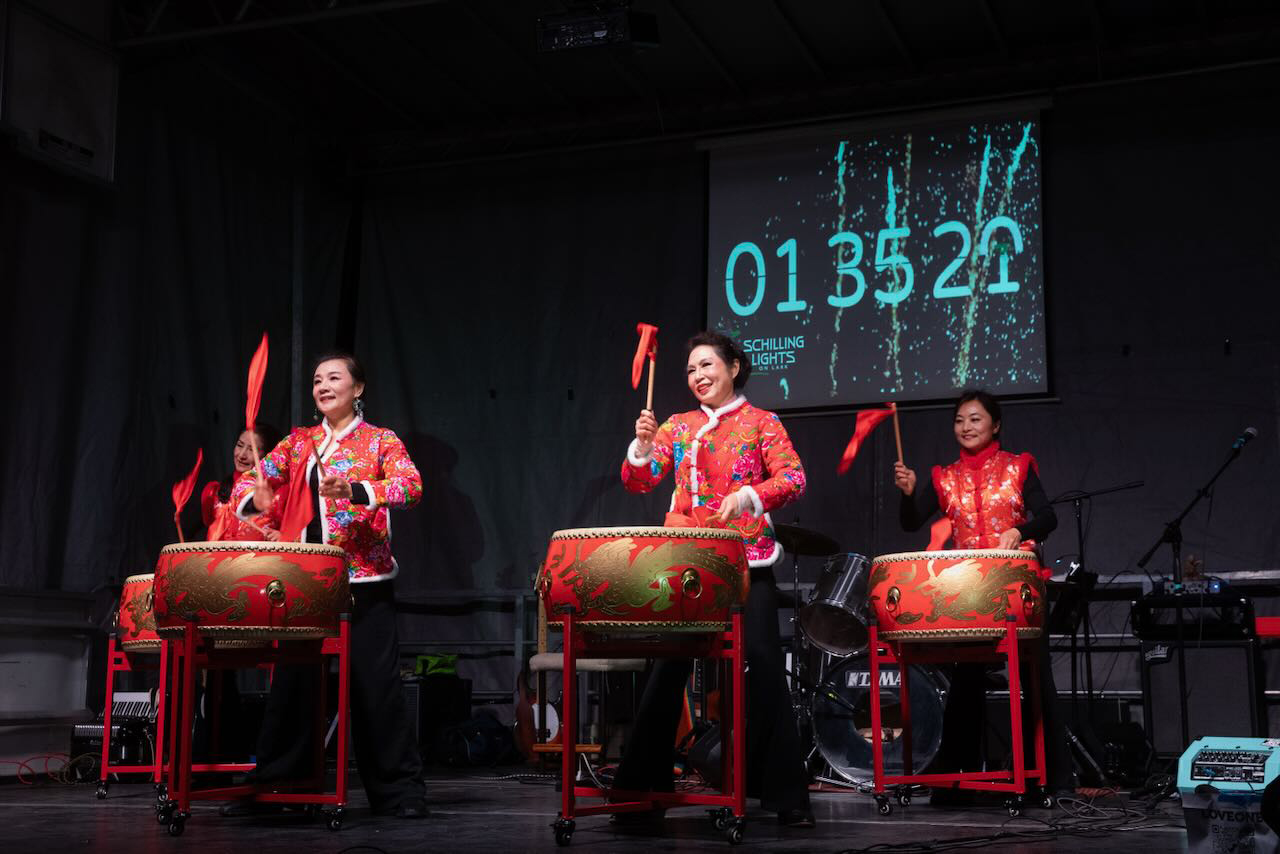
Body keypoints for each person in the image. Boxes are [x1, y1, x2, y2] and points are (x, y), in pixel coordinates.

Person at [613, 331, 814, 828]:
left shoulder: (762, 422)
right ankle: (641, 794)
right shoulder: (677, 426)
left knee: (764, 665)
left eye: (707, 365)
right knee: (667, 671)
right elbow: (641, 480)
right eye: (691, 370)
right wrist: (642, 449)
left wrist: (749, 497)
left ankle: (785, 794)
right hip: (686, 566)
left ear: (734, 367)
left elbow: (793, 478)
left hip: (746, 561)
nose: (698, 376)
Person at [227, 351, 428, 818]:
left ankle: (399, 793)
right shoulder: (300, 443)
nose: (323, 386)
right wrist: (257, 497)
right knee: (294, 685)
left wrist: (356, 490)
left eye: (334, 378)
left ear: (358, 388)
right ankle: (278, 789)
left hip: (364, 581)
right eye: (317, 380)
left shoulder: (380, 441)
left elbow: (411, 487)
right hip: (306, 582)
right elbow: (246, 484)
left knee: (375, 688)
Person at [893, 389, 1071, 804]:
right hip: (970, 592)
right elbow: (910, 523)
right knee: (966, 679)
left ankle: (1049, 780)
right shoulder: (944, 476)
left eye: (975, 419)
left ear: (995, 425)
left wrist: (1019, 530)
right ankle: (956, 783)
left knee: (1034, 679)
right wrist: (908, 493)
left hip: (1018, 589)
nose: (966, 426)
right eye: (959, 420)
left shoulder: (1018, 466)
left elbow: (1048, 517)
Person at [201, 425, 282, 541]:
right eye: (239, 445)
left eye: (251, 450)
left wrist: (282, 537)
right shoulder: (213, 493)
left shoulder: (277, 496)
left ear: (268, 456)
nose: (242, 455)